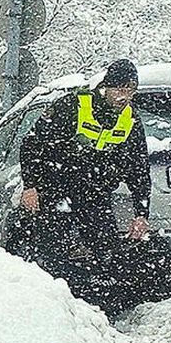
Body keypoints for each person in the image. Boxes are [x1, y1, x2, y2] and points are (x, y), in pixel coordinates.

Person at [15, 57, 152, 311]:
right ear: (106, 87)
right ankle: (51, 305)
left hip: (95, 193)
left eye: (130, 91)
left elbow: (139, 168)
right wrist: (30, 186)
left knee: (105, 247)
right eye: (119, 90)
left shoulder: (130, 119)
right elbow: (31, 144)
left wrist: (141, 213)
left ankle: (102, 307)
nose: (124, 97)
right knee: (54, 249)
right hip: (55, 190)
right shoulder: (74, 106)